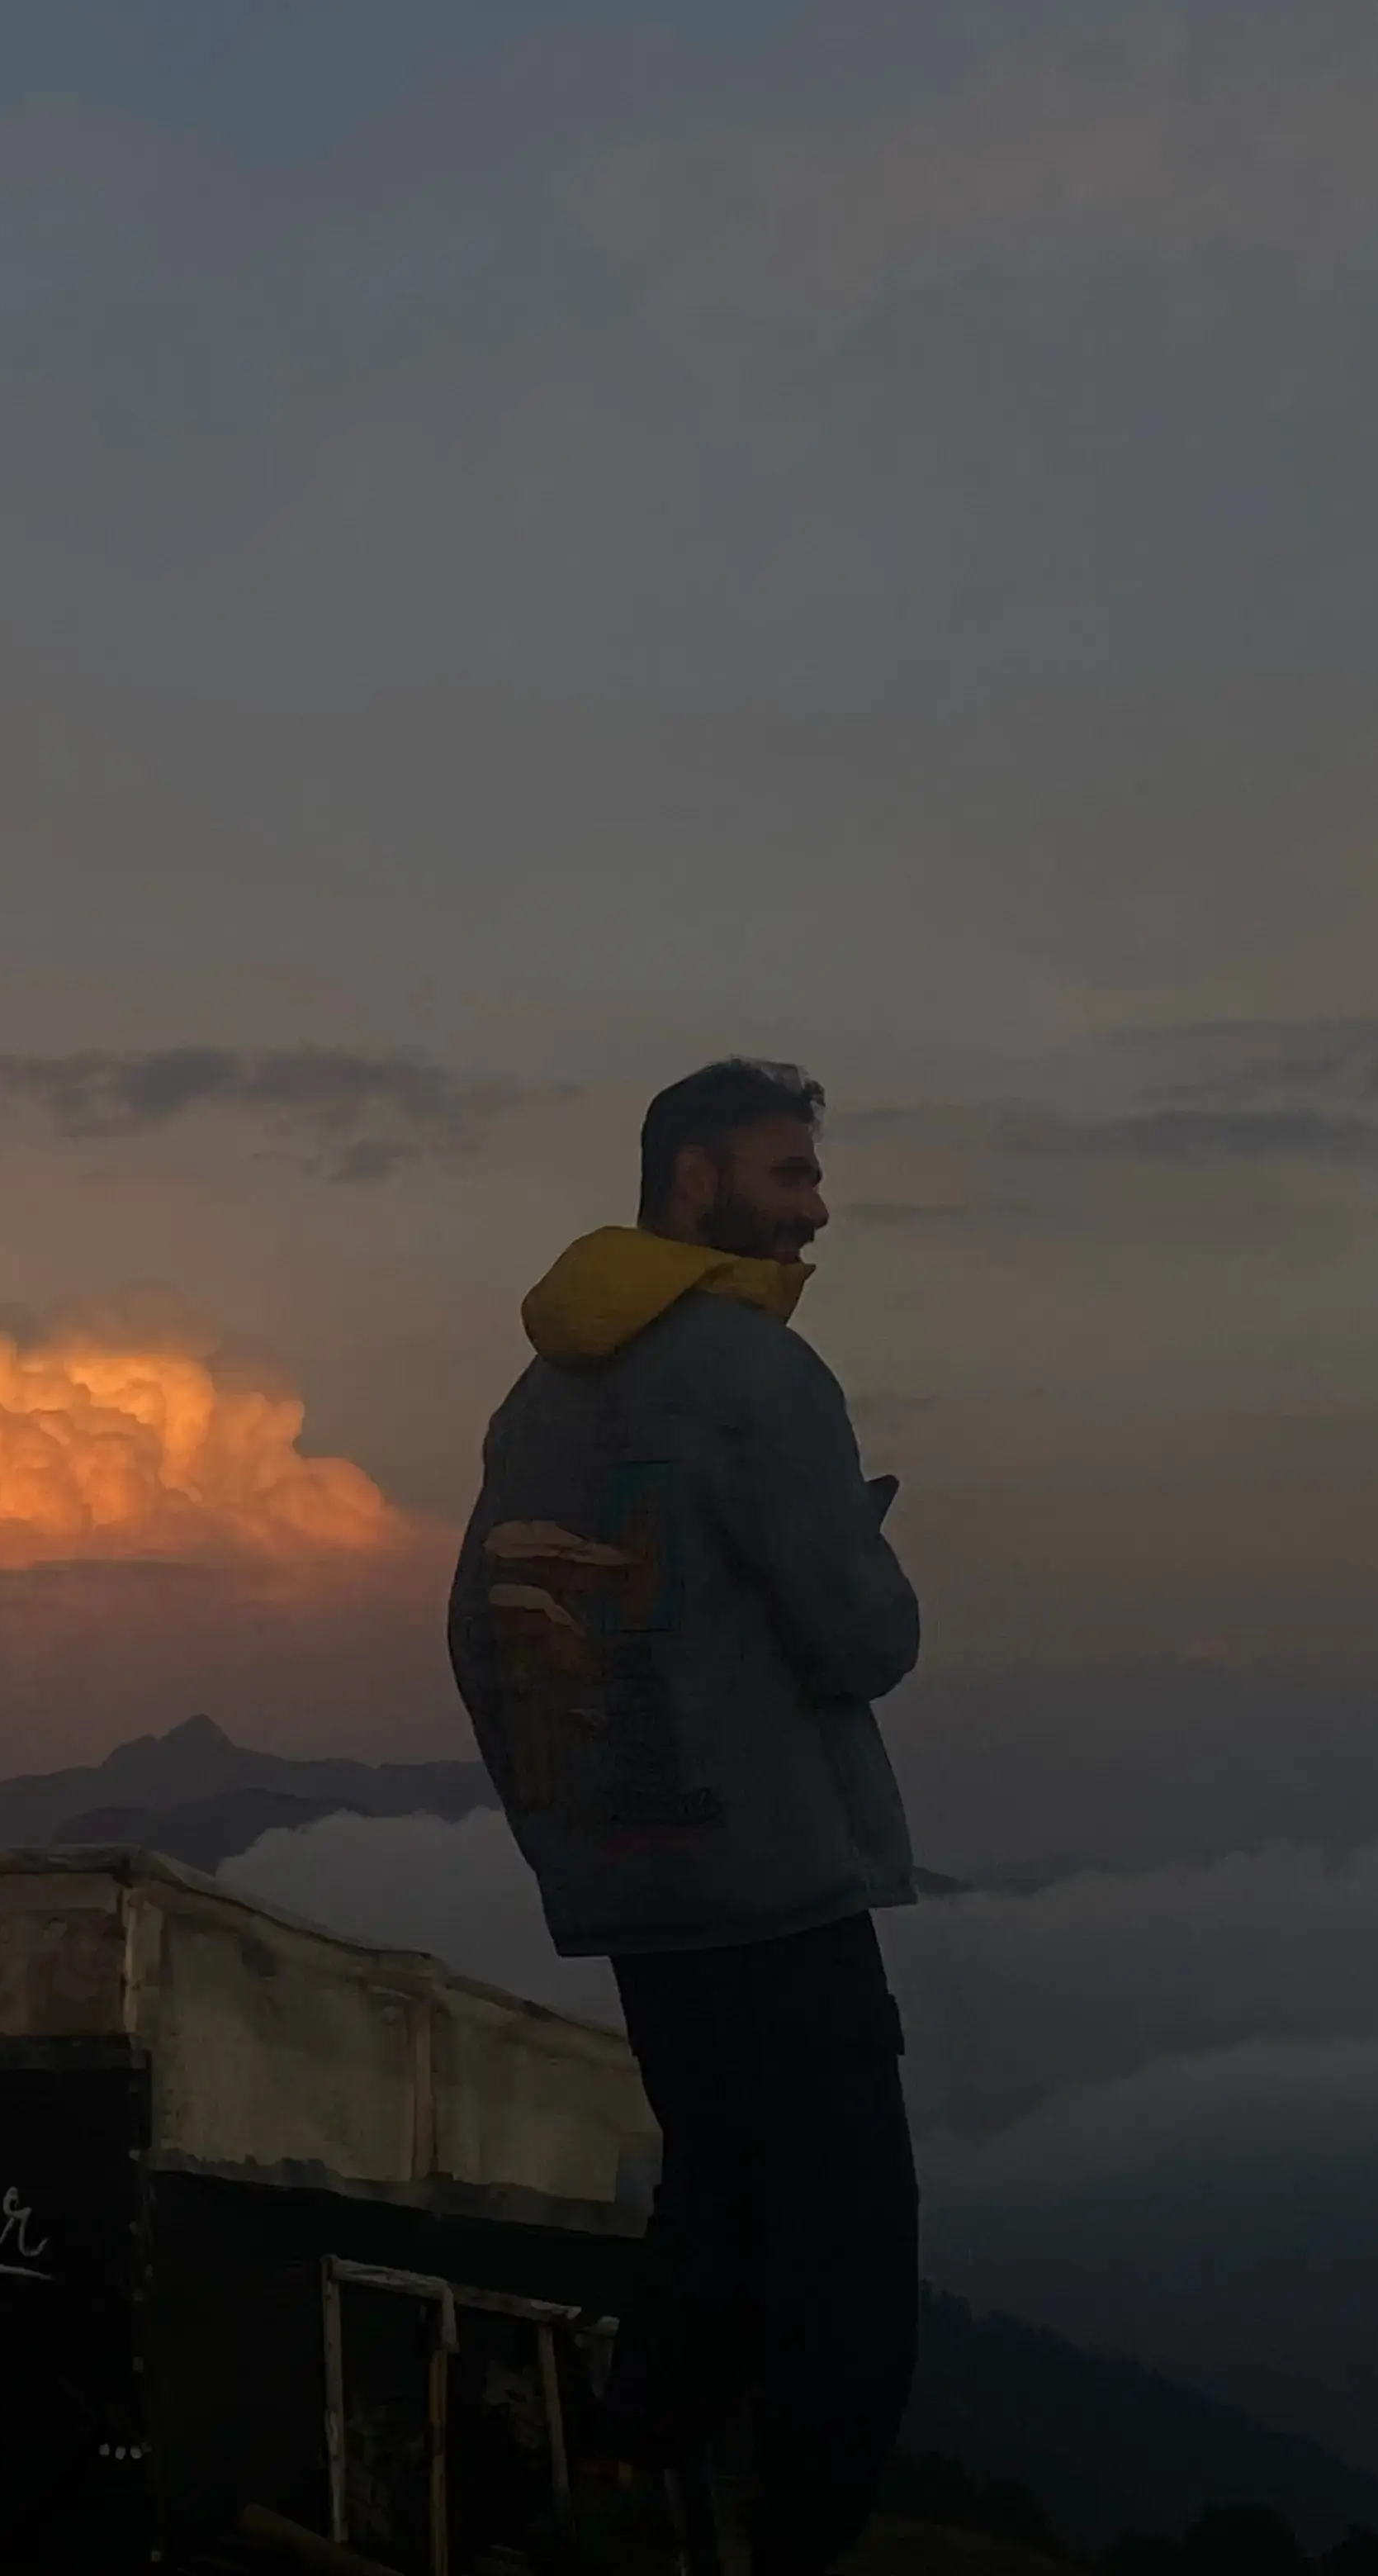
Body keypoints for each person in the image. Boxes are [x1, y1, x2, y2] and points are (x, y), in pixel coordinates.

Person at [447, 1060, 921, 2576]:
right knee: (850, 2245)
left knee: (713, 2194)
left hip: (634, 1885)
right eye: (789, 1177)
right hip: (777, 1877)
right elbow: (863, 1639)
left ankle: (632, 2466)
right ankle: (806, 2544)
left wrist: (564, 1821)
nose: (818, 1209)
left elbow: (481, 1633)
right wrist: (864, 1557)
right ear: (696, 1183)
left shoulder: (535, 1397)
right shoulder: (757, 1375)